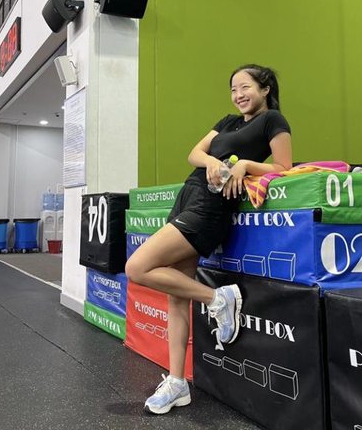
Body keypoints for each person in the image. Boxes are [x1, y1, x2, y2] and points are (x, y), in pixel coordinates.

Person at [125, 64, 292, 415]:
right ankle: (177, 383)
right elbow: (194, 154)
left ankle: (218, 298)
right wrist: (215, 162)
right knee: (175, 296)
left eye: (245, 87)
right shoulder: (228, 121)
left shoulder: (273, 120)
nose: (238, 95)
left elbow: (284, 167)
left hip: (211, 205)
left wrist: (245, 165)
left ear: (265, 89)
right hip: (189, 195)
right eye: (233, 89)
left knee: (136, 267)